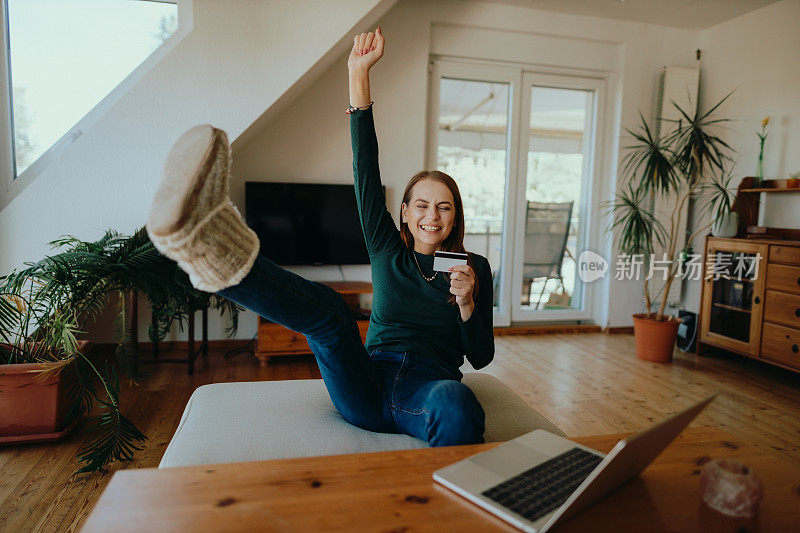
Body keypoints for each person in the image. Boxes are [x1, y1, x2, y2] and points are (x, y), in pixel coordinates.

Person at [146, 27, 494, 447]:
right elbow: (365, 170)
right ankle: (211, 250)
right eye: (421, 205)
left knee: (458, 401)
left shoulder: (473, 269)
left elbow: (481, 356)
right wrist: (358, 73)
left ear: (455, 215)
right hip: (366, 381)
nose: (431, 216)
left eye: (444, 207)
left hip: (430, 388)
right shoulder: (387, 248)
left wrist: (468, 303)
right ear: (404, 212)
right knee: (330, 311)